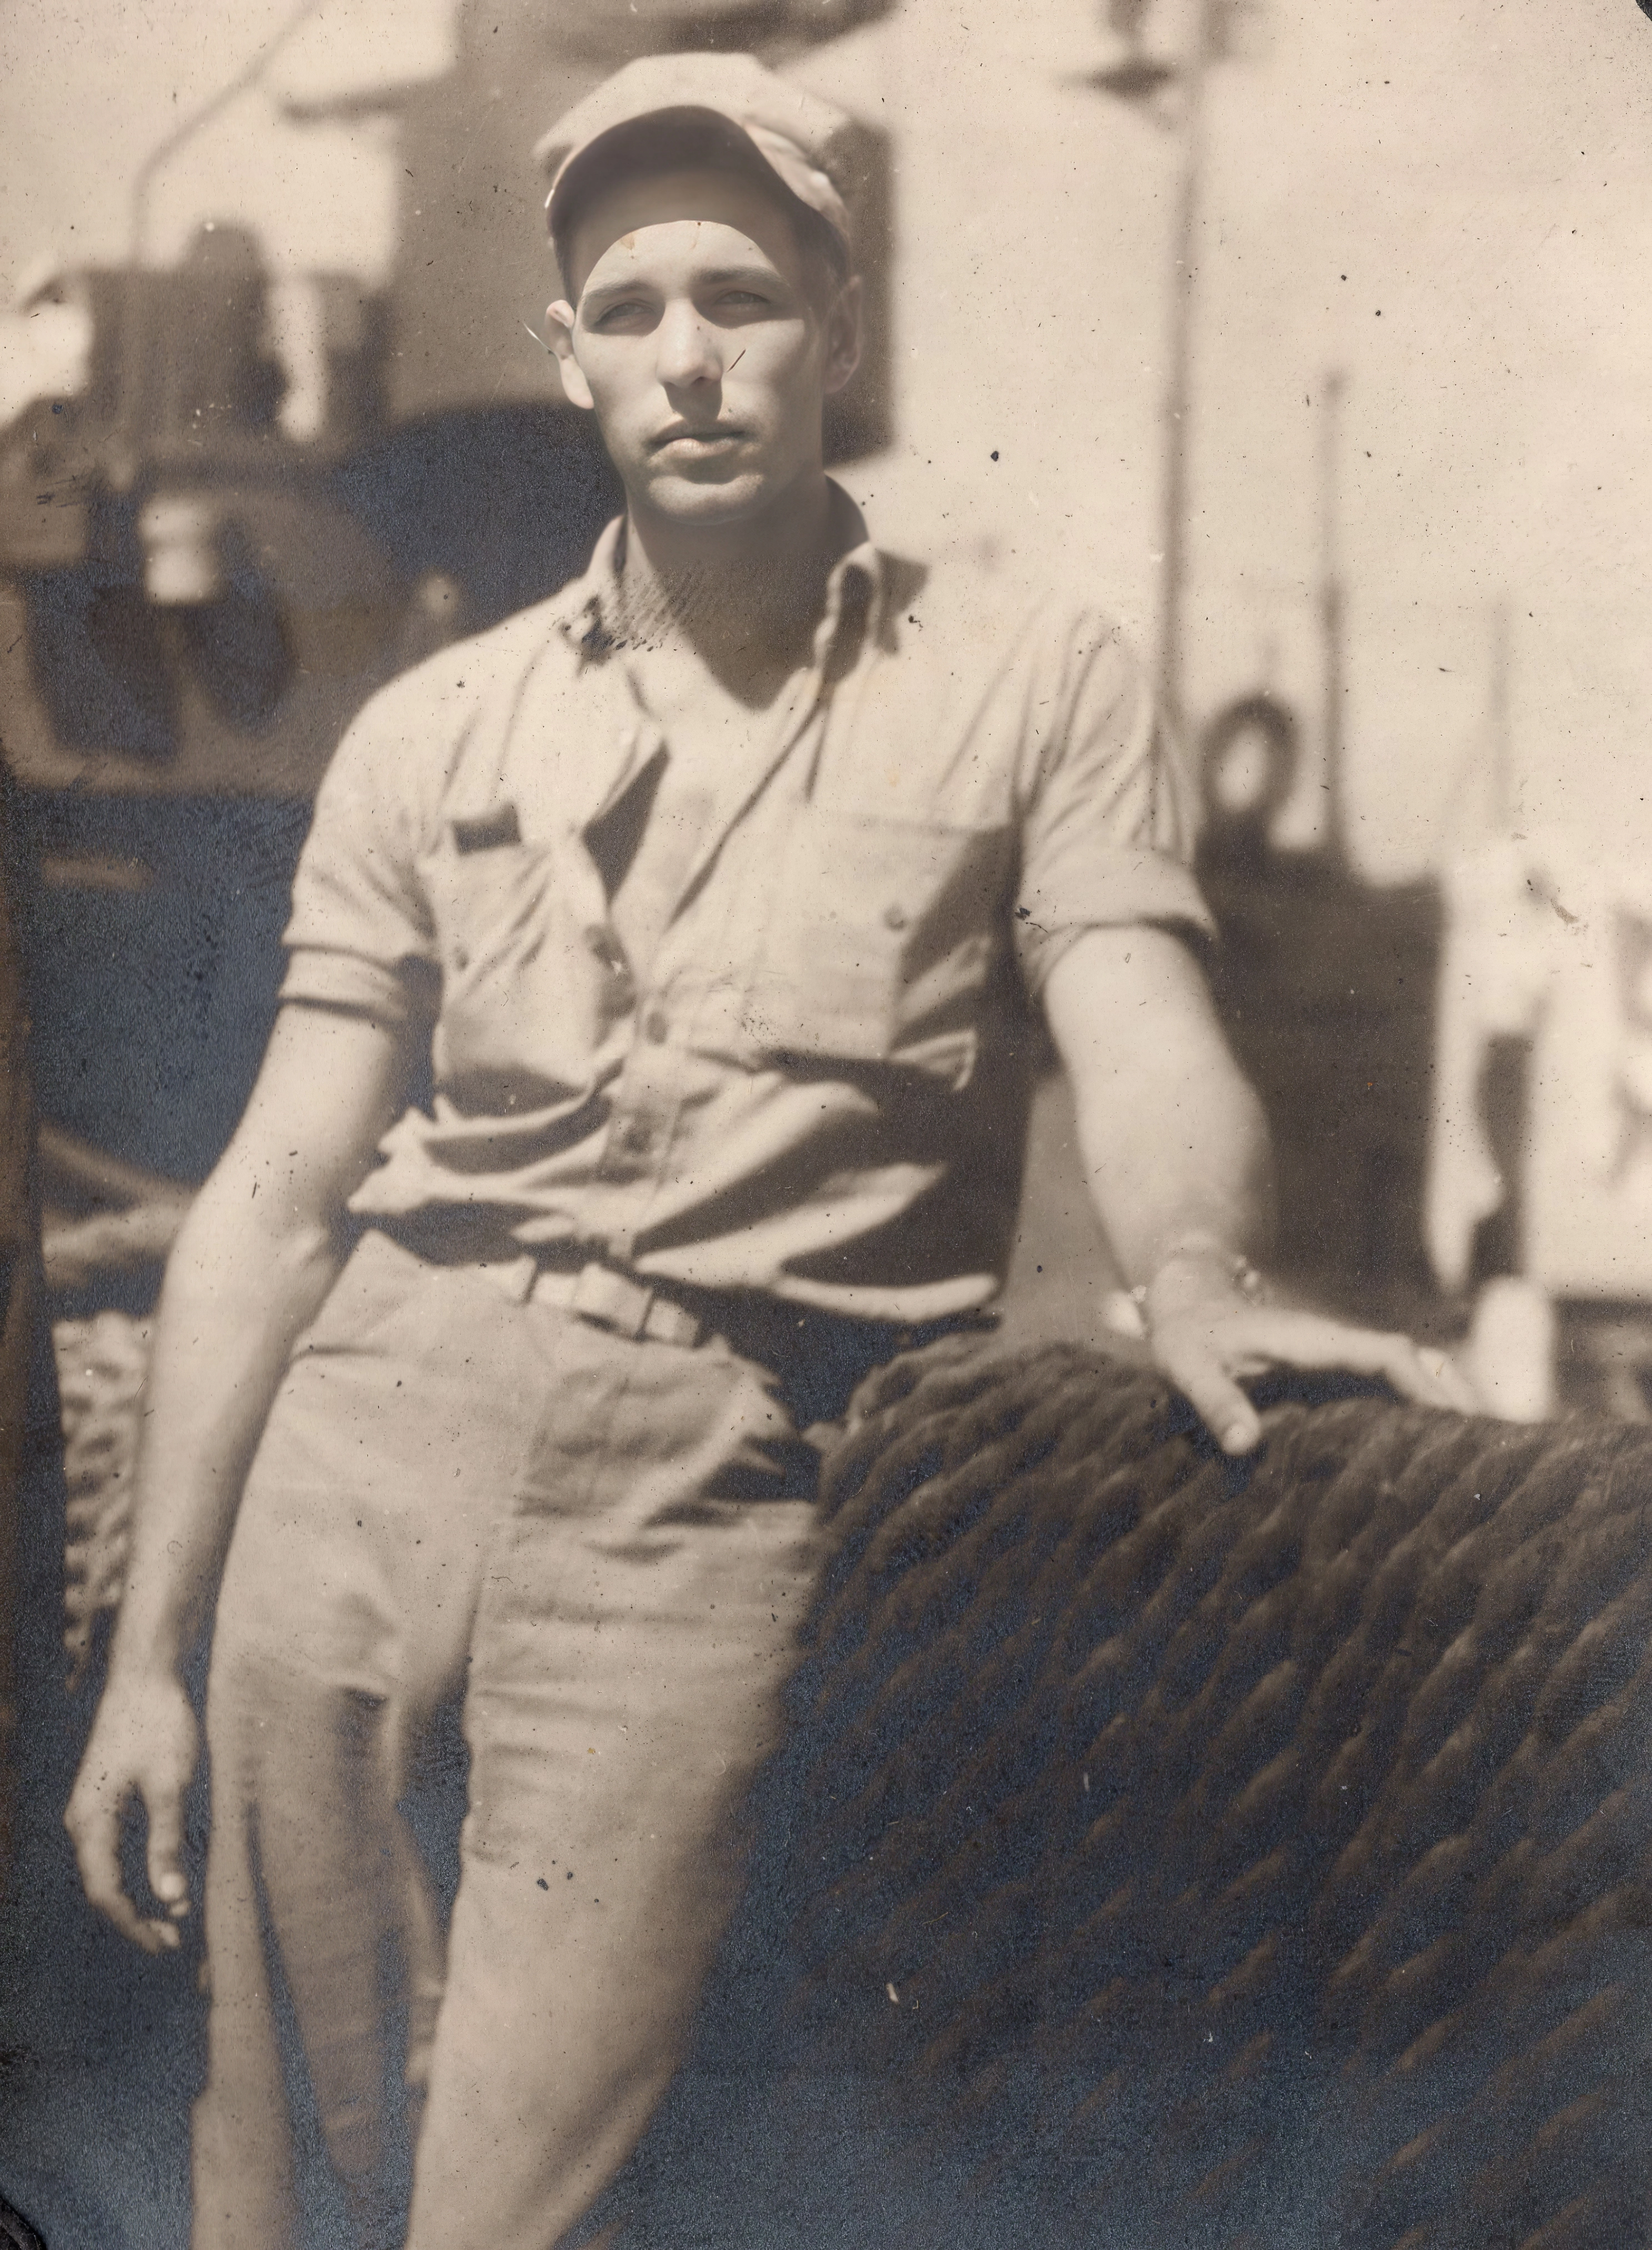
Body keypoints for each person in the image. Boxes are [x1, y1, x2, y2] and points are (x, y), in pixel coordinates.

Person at [63, 52, 1472, 2250]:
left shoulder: (1027, 683)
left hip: (704, 1481)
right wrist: (145, 1658)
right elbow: (271, 1188)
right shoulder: (431, 728)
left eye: (740, 295)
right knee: (274, 2187)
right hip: (361, 1440)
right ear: (567, 357)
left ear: (839, 321)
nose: (688, 358)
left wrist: (1189, 1269)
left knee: (504, 2209)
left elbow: (1138, 1023)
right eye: (627, 313)